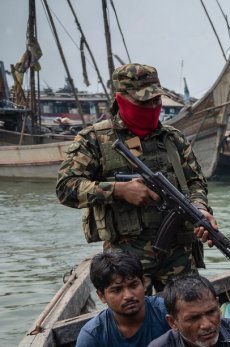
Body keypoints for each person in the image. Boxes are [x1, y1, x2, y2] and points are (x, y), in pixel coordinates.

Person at [56, 63, 217, 293]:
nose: (153, 107)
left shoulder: (173, 139)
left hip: (178, 256)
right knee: (134, 324)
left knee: (186, 316)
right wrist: (119, 190)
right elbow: (65, 188)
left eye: (156, 101)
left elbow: (195, 182)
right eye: (143, 102)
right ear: (120, 99)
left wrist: (199, 208)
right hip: (125, 261)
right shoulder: (94, 140)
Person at [73, 249, 170, 347]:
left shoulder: (167, 313)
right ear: (102, 296)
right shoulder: (93, 335)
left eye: (133, 285)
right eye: (117, 290)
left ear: (144, 284)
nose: (128, 296)